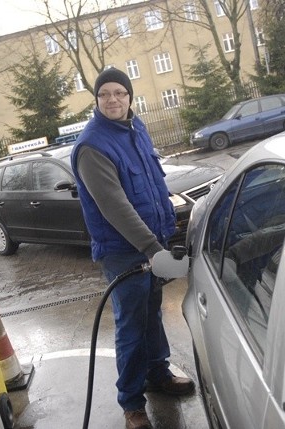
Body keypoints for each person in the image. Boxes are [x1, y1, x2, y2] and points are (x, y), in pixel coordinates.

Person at [71, 68, 195, 429]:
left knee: (152, 313)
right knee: (132, 326)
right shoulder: (92, 146)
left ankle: (157, 373)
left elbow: (155, 184)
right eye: (105, 94)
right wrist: (152, 248)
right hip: (125, 252)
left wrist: (167, 231)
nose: (112, 99)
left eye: (119, 93)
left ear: (129, 97)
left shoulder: (136, 129)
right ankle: (131, 402)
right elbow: (115, 206)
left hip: (153, 242)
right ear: (96, 100)